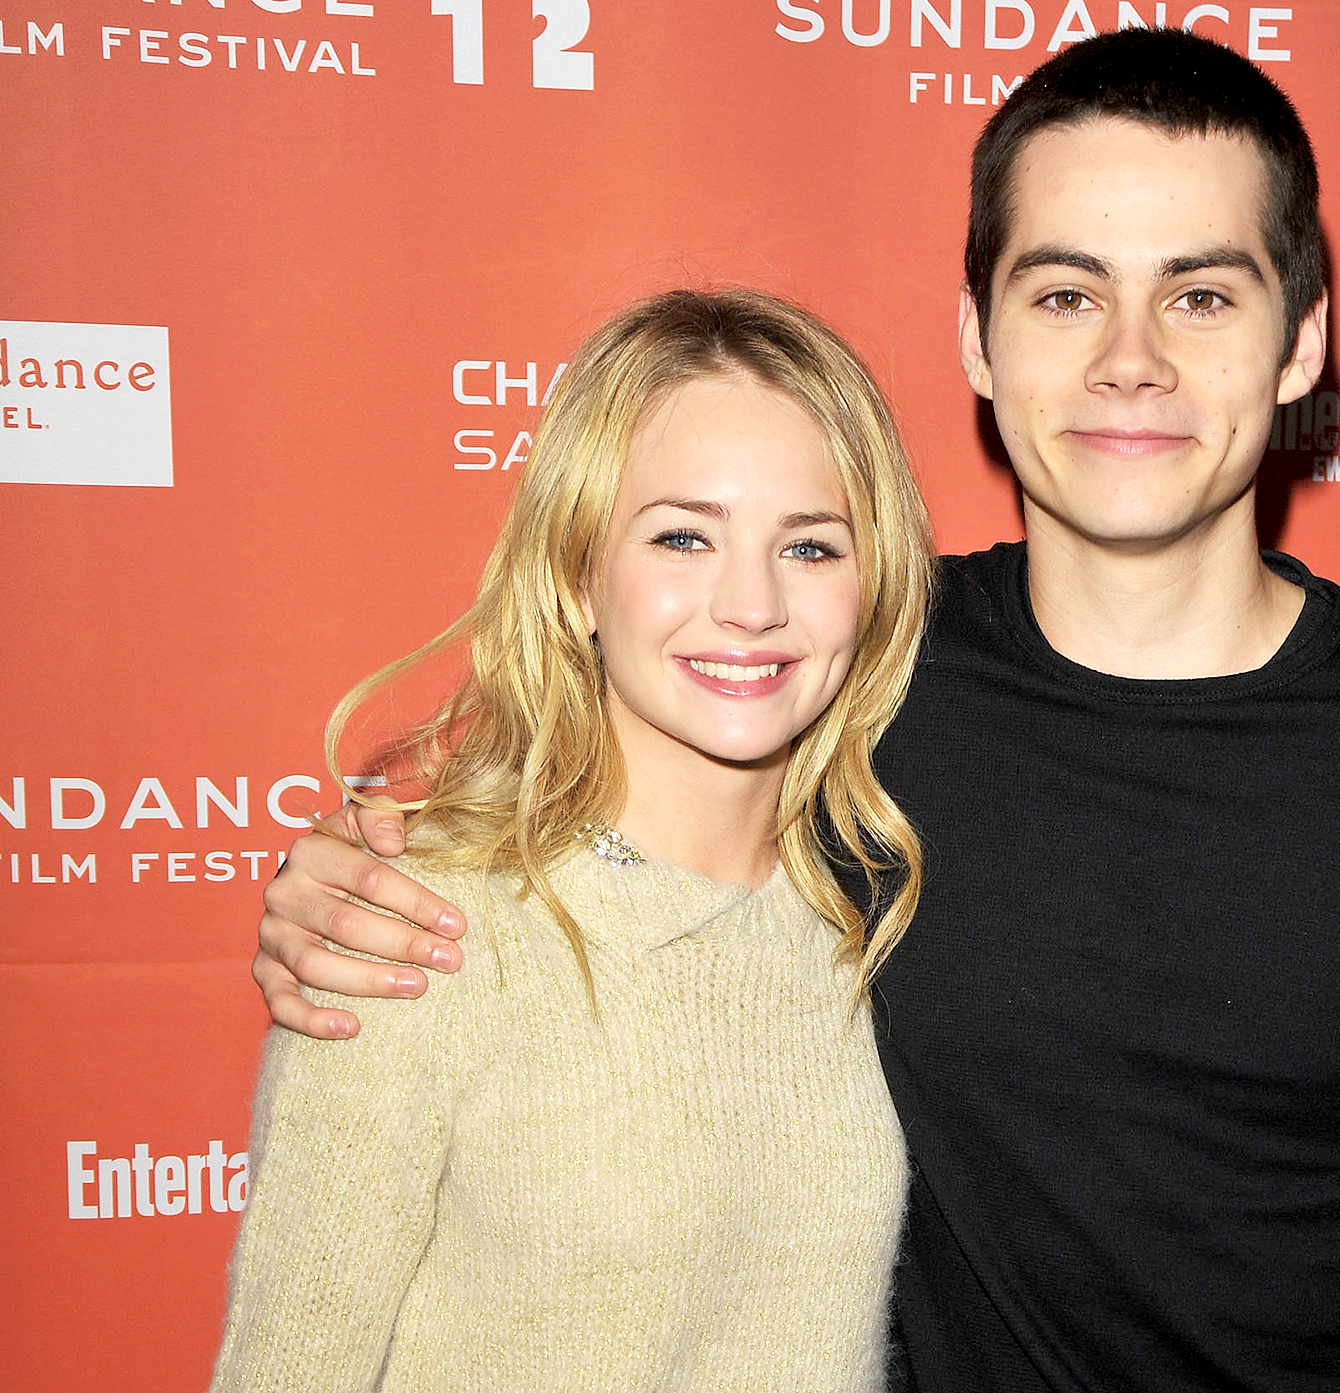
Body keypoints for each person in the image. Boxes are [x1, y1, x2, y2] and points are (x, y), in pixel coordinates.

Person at [249, 29, 1340, 1393]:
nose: (1130, 358)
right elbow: (585, 788)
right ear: (980, 345)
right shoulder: (848, 668)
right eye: (1065, 293)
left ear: (1301, 341)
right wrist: (352, 883)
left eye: (1202, 294)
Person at [211, 288, 936, 1392]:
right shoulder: (416, 931)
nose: (750, 603)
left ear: (871, 585)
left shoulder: (866, 914)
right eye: (684, 536)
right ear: (575, 574)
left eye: (812, 546)